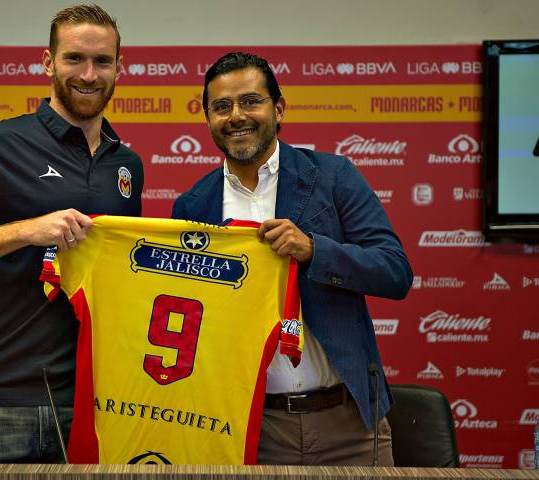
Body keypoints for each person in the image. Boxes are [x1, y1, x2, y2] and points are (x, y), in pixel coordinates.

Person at [0, 5, 143, 463]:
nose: (89, 74)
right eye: (74, 58)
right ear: (48, 62)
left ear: (119, 68)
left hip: (94, 403)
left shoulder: (128, 164)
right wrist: (27, 230)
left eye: (102, 61)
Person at [171, 52, 412, 466]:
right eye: (222, 106)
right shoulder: (192, 206)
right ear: (207, 118)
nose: (236, 116)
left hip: (349, 426)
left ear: (278, 108)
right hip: (249, 428)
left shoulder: (334, 176)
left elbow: (394, 271)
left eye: (250, 101)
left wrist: (315, 250)